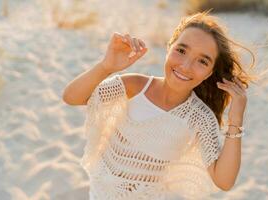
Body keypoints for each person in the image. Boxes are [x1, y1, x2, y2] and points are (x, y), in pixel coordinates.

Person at [63, 11, 255, 200]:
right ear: (169, 47)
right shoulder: (135, 87)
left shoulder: (199, 117)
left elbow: (224, 181)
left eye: (202, 61)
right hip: (99, 194)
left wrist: (236, 119)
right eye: (181, 50)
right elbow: (72, 97)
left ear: (209, 73)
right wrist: (106, 66)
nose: (186, 66)